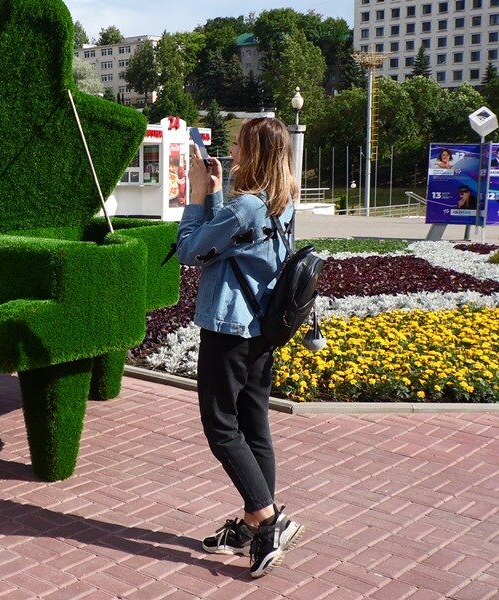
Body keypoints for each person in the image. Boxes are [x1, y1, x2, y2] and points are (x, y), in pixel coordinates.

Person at [176, 117, 305, 579]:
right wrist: (215, 193)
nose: (231, 152)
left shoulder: (246, 206)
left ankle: (269, 521)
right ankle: (252, 525)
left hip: (229, 331)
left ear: (254, 153)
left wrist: (196, 195)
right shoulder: (282, 202)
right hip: (261, 331)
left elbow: (191, 251)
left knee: (221, 427)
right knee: (254, 426)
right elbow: (228, 246)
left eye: (238, 145)